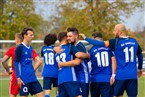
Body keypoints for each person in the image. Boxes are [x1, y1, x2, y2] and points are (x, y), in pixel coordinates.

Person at [80, 24, 143, 97]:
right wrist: (140, 68)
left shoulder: (115, 42)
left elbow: (100, 43)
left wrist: (86, 38)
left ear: (119, 32)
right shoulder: (134, 41)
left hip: (120, 76)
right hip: (132, 76)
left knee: (116, 95)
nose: (113, 32)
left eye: (114, 30)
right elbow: (140, 55)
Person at [56, 32, 90, 97]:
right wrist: (88, 55)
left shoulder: (56, 52)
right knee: (78, 95)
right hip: (70, 77)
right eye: (67, 37)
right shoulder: (70, 47)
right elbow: (78, 58)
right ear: (65, 38)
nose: (68, 38)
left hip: (60, 79)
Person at [14, 28, 44, 97]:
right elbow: (16, 62)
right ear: (25, 36)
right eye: (31, 35)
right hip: (24, 79)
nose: (32, 37)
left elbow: (38, 61)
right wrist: (18, 78)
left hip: (32, 78)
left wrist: (32, 70)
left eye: (33, 35)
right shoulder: (20, 48)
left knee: (41, 94)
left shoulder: (30, 48)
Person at [89, 32, 116, 97]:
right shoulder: (109, 49)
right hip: (107, 78)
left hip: (95, 79)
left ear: (94, 39)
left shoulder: (92, 49)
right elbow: (114, 60)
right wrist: (113, 75)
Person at [67, 28, 90, 97]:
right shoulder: (72, 47)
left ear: (76, 36)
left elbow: (77, 61)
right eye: (67, 36)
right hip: (75, 77)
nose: (68, 38)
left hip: (82, 77)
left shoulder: (79, 46)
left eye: (70, 36)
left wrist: (62, 64)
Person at [1, 33, 23, 97]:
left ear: (17, 40)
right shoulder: (27, 49)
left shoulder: (12, 49)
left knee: (12, 95)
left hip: (16, 74)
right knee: (24, 94)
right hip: (25, 74)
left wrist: (8, 71)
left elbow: (3, 61)